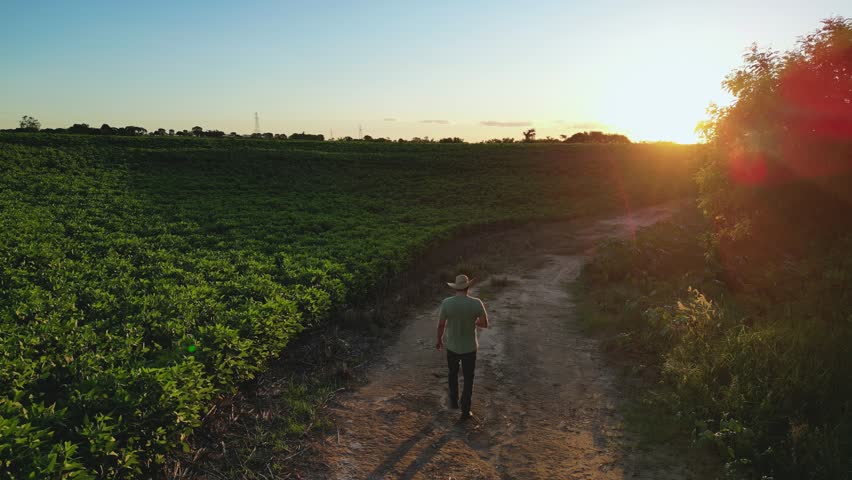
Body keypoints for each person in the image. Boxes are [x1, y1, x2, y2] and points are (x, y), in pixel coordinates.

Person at [436, 274, 489, 421]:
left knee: (452, 373)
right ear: (468, 287)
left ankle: (453, 402)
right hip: (470, 348)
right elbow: (485, 323)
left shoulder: (447, 303)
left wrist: (439, 340)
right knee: (468, 378)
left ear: (456, 288)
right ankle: (465, 411)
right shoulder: (476, 303)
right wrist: (474, 322)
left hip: (452, 346)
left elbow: (441, 324)